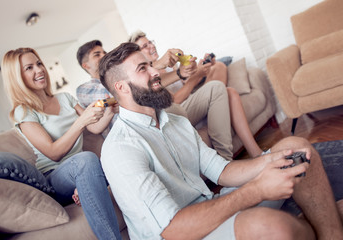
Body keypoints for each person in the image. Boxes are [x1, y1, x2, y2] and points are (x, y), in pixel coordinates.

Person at [98, 42, 343, 240]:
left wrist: (271, 160)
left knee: (295, 149)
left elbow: (220, 170)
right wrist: (256, 190)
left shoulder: (175, 121)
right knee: (269, 227)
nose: (156, 72)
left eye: (151, 65)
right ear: (122, 88)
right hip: (182, 233)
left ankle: (332, 234)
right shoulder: (120, 149)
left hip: (210, 207)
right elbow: (173, 230)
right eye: (143, 69)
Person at [1, 47, 122, 240]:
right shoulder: (23, 112)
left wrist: (109, 111)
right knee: (87, 160)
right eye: (29, 68)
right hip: (54, 178)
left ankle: (84, 185)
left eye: (39, 64)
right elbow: (53, 152)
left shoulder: (64, 98)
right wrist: (81, 121)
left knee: (114, 159)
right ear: (17, 77)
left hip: (84, 168)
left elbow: (94, 128)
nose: (39, 70)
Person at [129, 31, 263, 158]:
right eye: (145, 46)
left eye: (150, 42)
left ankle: (256, 153)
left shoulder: (170, 66)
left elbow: (186, 83)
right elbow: (173, 101)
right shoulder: (149, 77)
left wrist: (200, 70)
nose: (151, 46)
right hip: (178, 110)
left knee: (229, 89)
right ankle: (226, 160)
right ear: (138, 56)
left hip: (189, 102)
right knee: (218, 89)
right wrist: (194, 78)